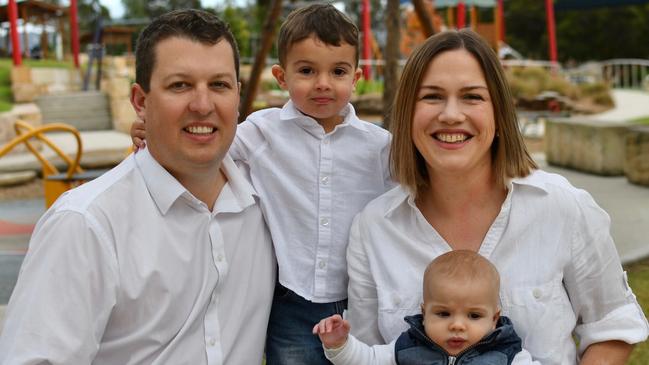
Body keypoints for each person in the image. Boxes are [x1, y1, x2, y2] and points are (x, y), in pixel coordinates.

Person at [344, 28, 649, 365]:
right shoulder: (373, 227)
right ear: (407, 114)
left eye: (472, 97)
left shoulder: (563, 207)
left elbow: (613, 328)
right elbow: (364, 350)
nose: (450, 114)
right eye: (431, 96)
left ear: (500, 114)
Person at [0, 9, 275, 364]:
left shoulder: (266, 201)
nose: (203, 105)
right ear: (141, 102)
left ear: (237, 96)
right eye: (181, 85)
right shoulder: (86, 225)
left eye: (219, 85)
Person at [131, 4, 393, 364]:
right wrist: (154, 131)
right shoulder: (260, 132)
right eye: (306, 70)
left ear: (356, 77)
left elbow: (406, 202)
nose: (322, 83)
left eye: (338, 71)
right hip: (290, 299)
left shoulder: (378, 146)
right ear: (281, 77)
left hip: (359, 298)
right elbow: (206, 145)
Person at [314, 250, 522, 364]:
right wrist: (339, 344)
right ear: (424, 314)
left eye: (474, 316)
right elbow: (365, 360)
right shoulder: (407, 348)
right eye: (443, 313)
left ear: (494, 319)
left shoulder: (507, 356)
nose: (457, 325)